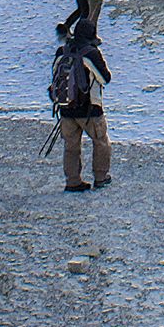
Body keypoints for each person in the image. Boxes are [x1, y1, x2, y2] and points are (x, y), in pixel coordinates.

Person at [59, 13, 112, 193]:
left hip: (66, 108)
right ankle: (101, 177)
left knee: (71, 146)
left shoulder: (63, 51)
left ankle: (73, 181)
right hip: (90, 109)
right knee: (101, 142)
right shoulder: (90, 53)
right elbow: (105, 78)